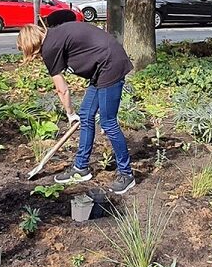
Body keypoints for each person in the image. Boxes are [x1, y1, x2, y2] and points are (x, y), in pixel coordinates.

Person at [16, 20, 136, 194]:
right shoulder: (53, 35)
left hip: (110, 64)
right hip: (101, 66)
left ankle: (126, 174)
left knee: (108, 122)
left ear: (32, 45)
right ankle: (81, 167)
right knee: (86, 115)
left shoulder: (50, 48)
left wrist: (70, 113)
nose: (36, 57)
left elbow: (61, 90)